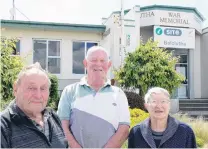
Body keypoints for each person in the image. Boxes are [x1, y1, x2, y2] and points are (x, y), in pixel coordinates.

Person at [57, 46, 130, 148]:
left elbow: (124, 128)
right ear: (85, 63)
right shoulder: (70, 91)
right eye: (93, 60)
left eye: (102, 61)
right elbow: (61, 125)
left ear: (109, 65)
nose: (98, 64)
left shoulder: (119, 94)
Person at [1, 62, 67, 148]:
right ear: (15, 89)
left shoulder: (54, 117)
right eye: (31, 88)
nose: (38, 95)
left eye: (43, 88)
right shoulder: (3, 126)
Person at [128, 87, 197, 148]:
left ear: (169, 105)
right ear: (146, 106)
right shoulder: (136, 132)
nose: (158, 106)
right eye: (154, 102)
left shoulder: (185, 131)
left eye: (163, 101)